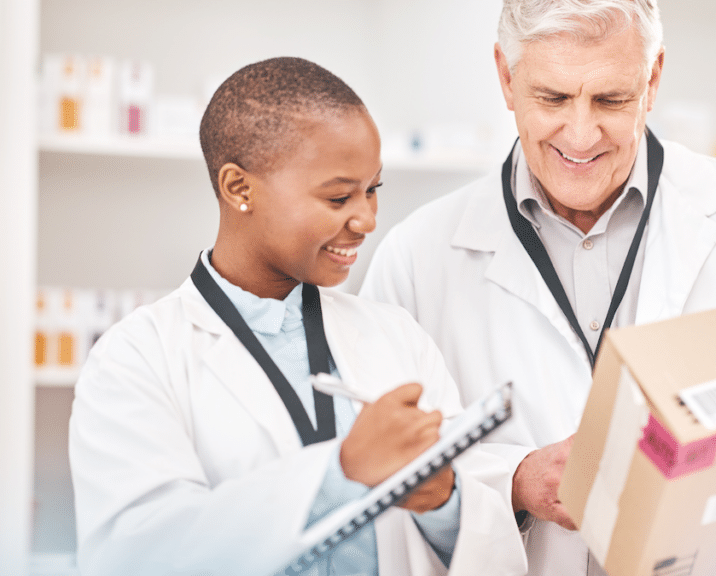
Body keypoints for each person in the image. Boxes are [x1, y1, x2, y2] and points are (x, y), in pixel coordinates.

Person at [359, 1, 716, 575]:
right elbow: (378, 472)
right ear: (506, 77)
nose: (581, 134)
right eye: (552, 98)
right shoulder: (417, 256)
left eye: (611, 100)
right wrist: (514, 480)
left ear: (653, 78)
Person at [68, 57, 526, 576]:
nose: (366, 219)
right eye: (339, 196)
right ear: (239, 189)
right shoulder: (134, 360)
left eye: (373, 190)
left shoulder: (395, 335)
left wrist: (444, 501)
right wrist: (340, 473)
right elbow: (136, 554)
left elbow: (486, 542)